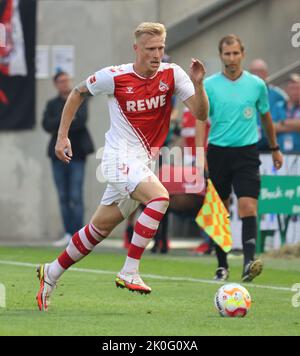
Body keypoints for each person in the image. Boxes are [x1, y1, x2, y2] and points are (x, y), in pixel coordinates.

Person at [36, 22, 209, 311]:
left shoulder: (173, 74)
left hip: (141, 162)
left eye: (161, 48)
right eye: (150, 49)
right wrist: (62, 136)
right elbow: (77, 93)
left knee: (98, 230)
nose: (156, 54)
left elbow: (202, 113)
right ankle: (129, 270)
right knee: (160, 198)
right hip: (117, 158)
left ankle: (50, 273)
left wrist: (200, 84)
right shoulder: (115, 76)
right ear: (137, 49)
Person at [201, 34, 283, 282]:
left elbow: (266, 118)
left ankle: (248, 262)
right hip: (218, 151)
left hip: (247, 152)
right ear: (221, 56)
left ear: (242, 54)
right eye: (227, 54)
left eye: (236, 53)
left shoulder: (257, 85)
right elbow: (199, 119)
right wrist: (197, 154)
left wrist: (275, 147)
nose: (232, 58)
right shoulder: (209, 85)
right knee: (220, 209)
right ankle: (222, 265)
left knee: (248, 206)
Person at [42, 71, 94, 247]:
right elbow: (46, 125)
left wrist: (62, 124)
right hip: (57, 155)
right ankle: (67, 232)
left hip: (77, 153)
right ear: (56, 84)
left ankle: (78, 235)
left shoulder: (80, 98)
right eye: (61, 81)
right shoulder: (51, 104)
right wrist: (66, 118)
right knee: (63, 196)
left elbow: (81, 121)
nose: (65, 84)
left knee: (76, 195)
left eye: (67, 80)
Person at [249, 59, 288, 152]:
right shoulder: (242, 94)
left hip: (271, 146)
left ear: (266, 74)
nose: (256, 75)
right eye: (253, 72)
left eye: (260, 72)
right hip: (247, 146)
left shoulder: (279, 95)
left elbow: (285, 120)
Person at [274, 73, 300, 153]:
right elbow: (271, 127)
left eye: (298, 88)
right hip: (281, 154)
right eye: (292, 88)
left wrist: (282, 122)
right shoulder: (278, 106)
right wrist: (295, 125)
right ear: (286, 90)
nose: (295, 92)